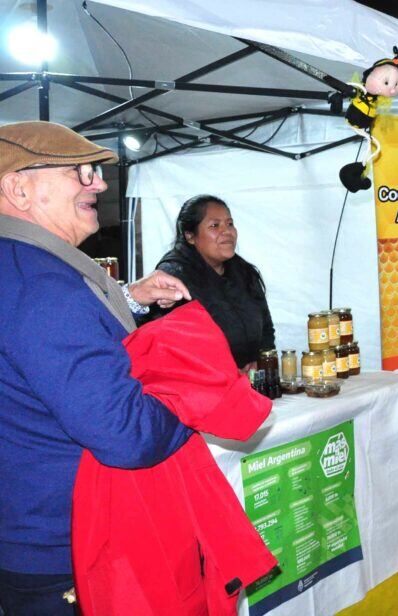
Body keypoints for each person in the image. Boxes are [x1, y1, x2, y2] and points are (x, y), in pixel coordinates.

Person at [0, 121, 194, 613]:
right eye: (79, 172)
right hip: (64, 549)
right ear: (19, 188)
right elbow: (126, 434)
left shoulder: (20, 267)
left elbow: (32, 346)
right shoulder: (43, 285)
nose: (100, 184)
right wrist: (194, 394)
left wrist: (129, 296)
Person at [152, 195, 275, 370]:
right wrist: (227, 373)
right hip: (204, 387)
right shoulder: (173, 279)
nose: (227, 232)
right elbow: (174, 349)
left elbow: (267, 330)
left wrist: (261, 362)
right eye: (214, 226)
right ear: (190, 236)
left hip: (252, 383)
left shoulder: (245, 272)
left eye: (230, 223)